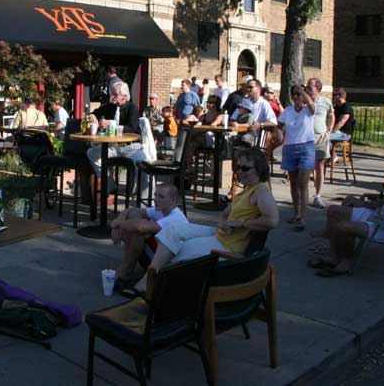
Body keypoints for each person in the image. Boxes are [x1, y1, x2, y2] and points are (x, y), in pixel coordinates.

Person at [134, 147, 279, 293]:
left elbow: (272, 220)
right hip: (220, 234)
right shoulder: (248, 189)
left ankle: (149, 283)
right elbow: (225, 213)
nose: (239, 171)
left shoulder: (261, 191)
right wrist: (223, 221)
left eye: (245, 168)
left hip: (228, 246)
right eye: (237, 167)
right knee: (171, 231)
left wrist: (240, 223)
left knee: (176, 249)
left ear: (259, 169)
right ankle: (151, 279)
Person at [308, 149, 384, 277]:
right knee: (333, 210)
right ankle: (334, 257)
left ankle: (346, 262)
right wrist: (367, 201)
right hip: (378, 216)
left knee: (342, 226)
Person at [109, 183, 188, 289]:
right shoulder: (161, 210)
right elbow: (132, 210)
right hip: (161, 255)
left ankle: (127, 268)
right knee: (133, 217)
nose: (156, 199)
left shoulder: (175, 217)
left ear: (173, 200)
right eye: (155, 195)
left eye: (161, 197)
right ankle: (127, 266)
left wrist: (118, 224)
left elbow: (141, 227)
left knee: (138, 230)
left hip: (172, 266)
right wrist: (119, 220)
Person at [86, 82, 145, 193]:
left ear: (124, 96)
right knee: (92, 153)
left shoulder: (132, 108)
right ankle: (110, 185)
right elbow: (94, 112)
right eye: (112, 93)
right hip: (113, 146)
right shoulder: (110, 107)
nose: (112, 96)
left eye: (115, 94)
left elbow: (132, 128)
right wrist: (93, 116)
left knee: (144, 164)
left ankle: (145, 198)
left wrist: (111, 124)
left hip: (131, 146)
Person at [278, 84, 316, 226]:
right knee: (293, 182)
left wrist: (303, 91)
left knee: (303, 182)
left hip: (306, 147)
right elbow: (279, 125)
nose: (296, 96)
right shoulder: (287, 110)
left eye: (298, 94)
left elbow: (311, 103)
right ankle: (296, 212)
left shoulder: (308, 110)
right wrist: (279, 133)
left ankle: (303, 216)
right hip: (290, 147)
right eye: (294, 93)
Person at [307, 78, 334, 209]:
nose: (307, 88)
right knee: (305, 167)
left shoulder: (325, 101)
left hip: (321, 137)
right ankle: (303, 194)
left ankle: (318, 195)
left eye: (310, 86)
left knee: (320, 165)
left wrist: (330, 129)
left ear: (317, 88)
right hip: (306, 137)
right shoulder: (304, 100)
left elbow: (331, 115)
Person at [230, 78, 277, 146]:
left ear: (258, 88)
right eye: (247, 87)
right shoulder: (244, 102)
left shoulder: (264, 104)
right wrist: (233, 122)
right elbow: (233, 118)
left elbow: (273, 122)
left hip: (256, 141)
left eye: (250, 87)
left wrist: (260, 125)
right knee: (227, 138)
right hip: (240, 137)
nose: (248, 89)